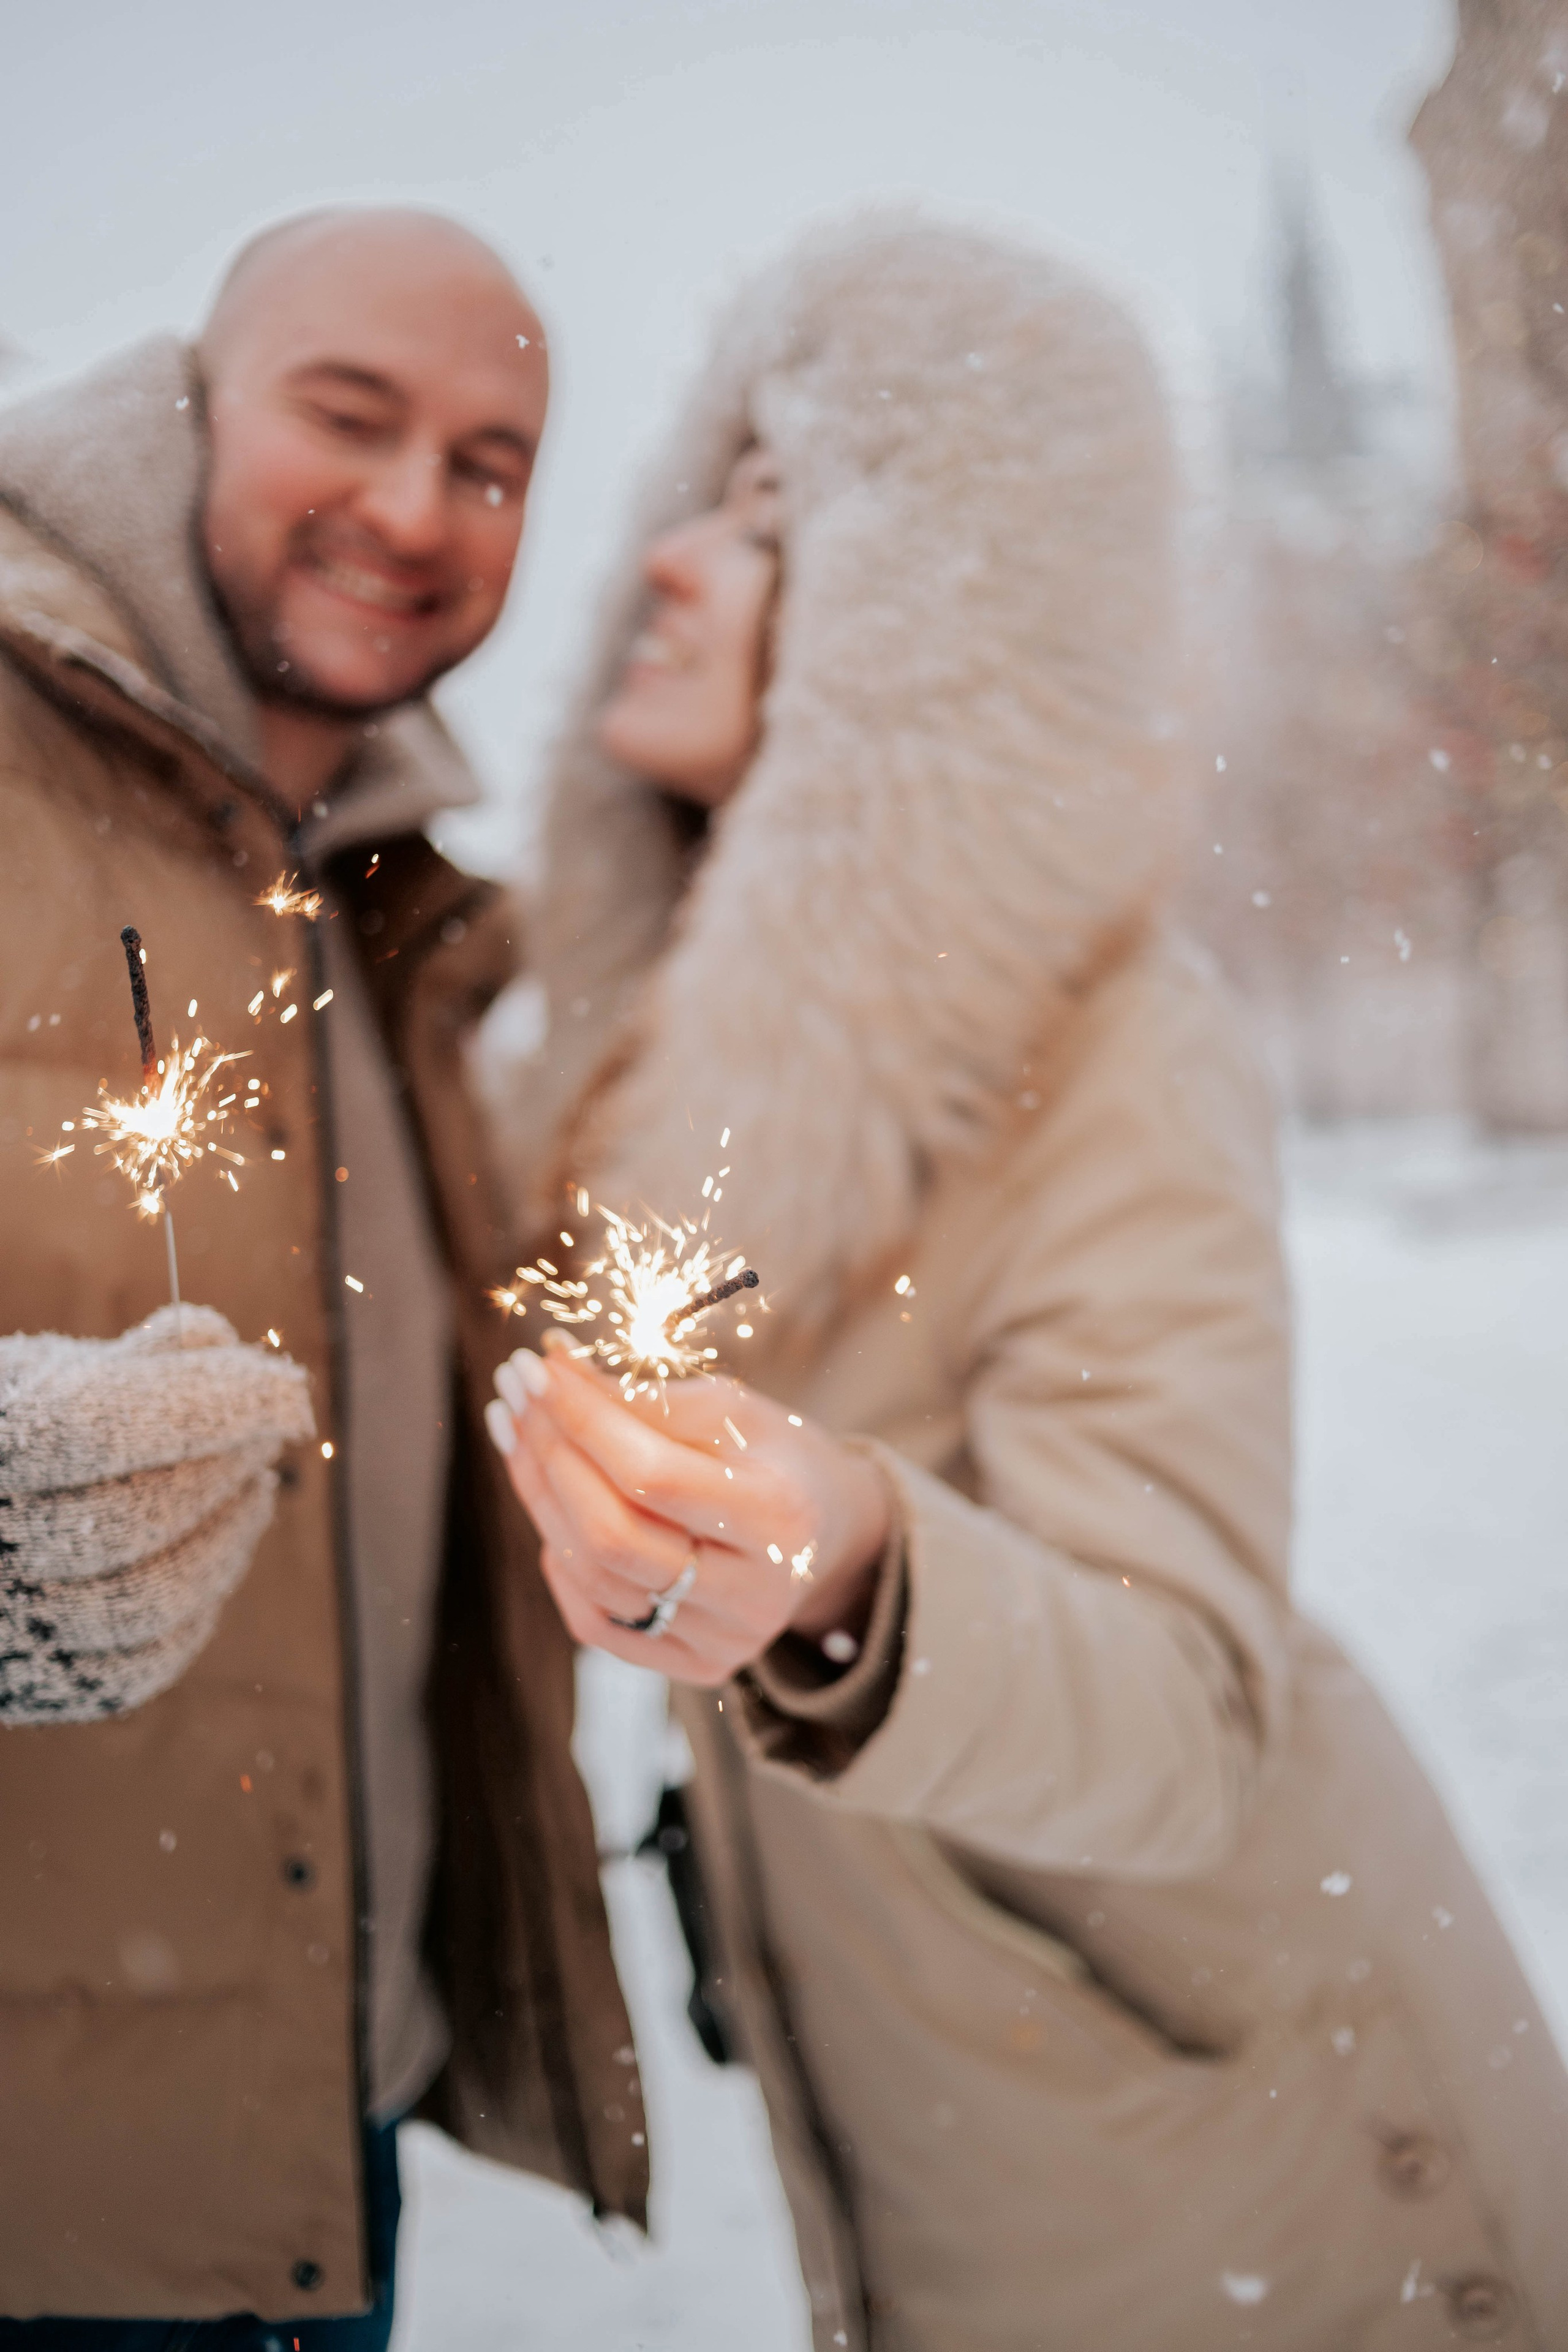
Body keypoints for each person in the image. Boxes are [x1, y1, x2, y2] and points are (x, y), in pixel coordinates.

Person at [481, 217, 1568, 2350]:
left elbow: (1184, 1701)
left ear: (923, 615)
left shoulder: (1111, 1034)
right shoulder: (619, 1073)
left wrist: (858, 1554)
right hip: (960, 2084)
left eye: (769, 524)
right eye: (687, 506)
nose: (669, 567)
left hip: (1239, 2099)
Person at [0, 209, 643, 2345]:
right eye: (348, 419)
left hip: (312, 2148)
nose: (412, 508)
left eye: (490, 459)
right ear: (195, 402)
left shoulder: (399, 919)